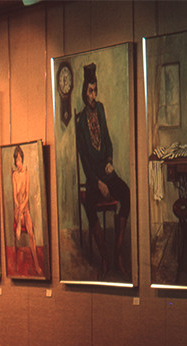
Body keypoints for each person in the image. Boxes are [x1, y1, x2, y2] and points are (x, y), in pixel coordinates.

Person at [75, 63, 131, 276]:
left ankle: (117, 253)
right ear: (84, 92)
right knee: (90, 206)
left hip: (107, 172)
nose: (93, 95)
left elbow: (107, 140)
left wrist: (109, 160)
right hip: (93, 178)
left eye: (95, 90)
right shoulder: (81, 121)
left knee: (126, 194)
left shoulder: (100, 109)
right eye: (90, 91)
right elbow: (84, 160)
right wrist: (98, 183)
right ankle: (105, 256)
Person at [11, 145, 43, 275]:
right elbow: (15, 196)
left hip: (25, 208)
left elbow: (27, 195)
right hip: (18, 208)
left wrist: (23, 207)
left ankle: (37, 264)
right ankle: (19, 222)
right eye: (16, 160)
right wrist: (18, 207)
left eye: (19, 160)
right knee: (19, 210)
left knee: (31, 235)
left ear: (22, 160)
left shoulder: (26, 174)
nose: (18, 162)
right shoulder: (14, 175)